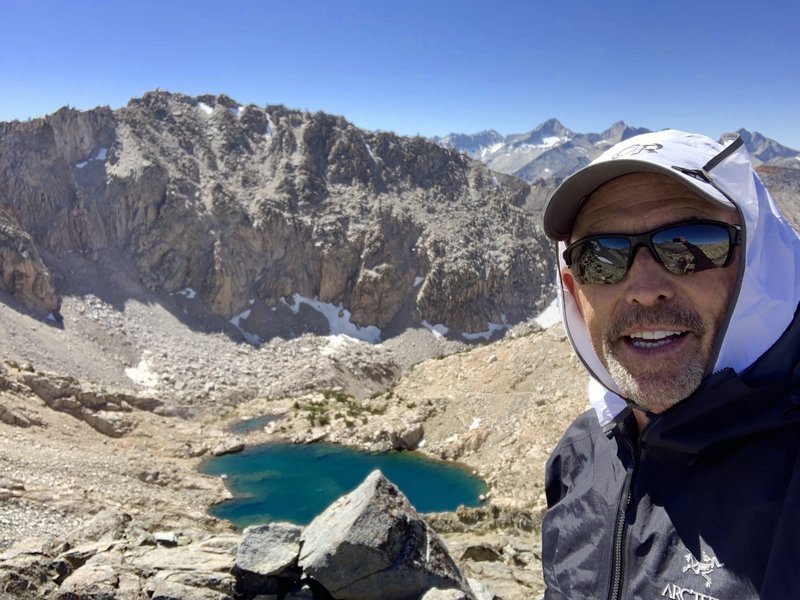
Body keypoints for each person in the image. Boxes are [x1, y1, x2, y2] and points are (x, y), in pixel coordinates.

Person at [540, 129, 800, 600]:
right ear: (573, 288)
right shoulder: (578, 457)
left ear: (758, 263)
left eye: (691, 246)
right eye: (602, 258)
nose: (643, 287)